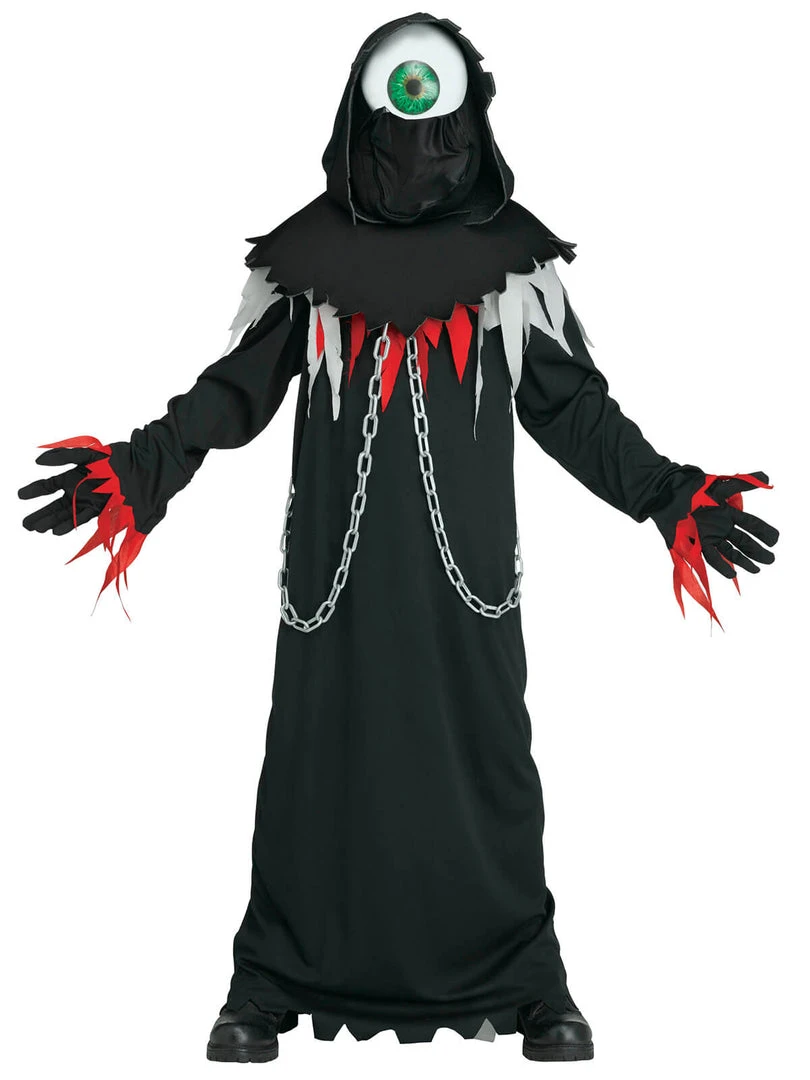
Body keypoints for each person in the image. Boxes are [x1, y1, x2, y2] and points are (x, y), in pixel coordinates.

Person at [18, 12, 779, 1064]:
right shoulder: (309, 260)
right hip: (334, 585)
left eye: (441, 110)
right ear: (362, 115)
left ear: (472, 118)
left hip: (468, 588)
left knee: (486, 754)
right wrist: (139, 470)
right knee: (316, 759)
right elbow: (234, 391)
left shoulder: (512, 262)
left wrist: (670, 496)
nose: (423, 137)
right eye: (401, 108)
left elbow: (572, 409)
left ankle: (526, 979)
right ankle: (272, 979)